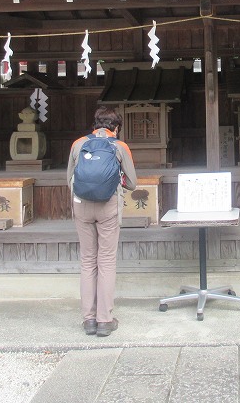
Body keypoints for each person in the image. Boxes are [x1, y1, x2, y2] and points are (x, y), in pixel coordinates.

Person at [67, 106, 136, 337]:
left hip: (82, 206)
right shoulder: (120, 146)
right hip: (108, 206)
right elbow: (132, 183)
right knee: (106, 261)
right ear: (116, 128)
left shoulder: (78, 144)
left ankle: (88, 319)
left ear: (94, 125)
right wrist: (116, 181)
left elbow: (70, 179)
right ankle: (105, 320)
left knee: (87, 261)